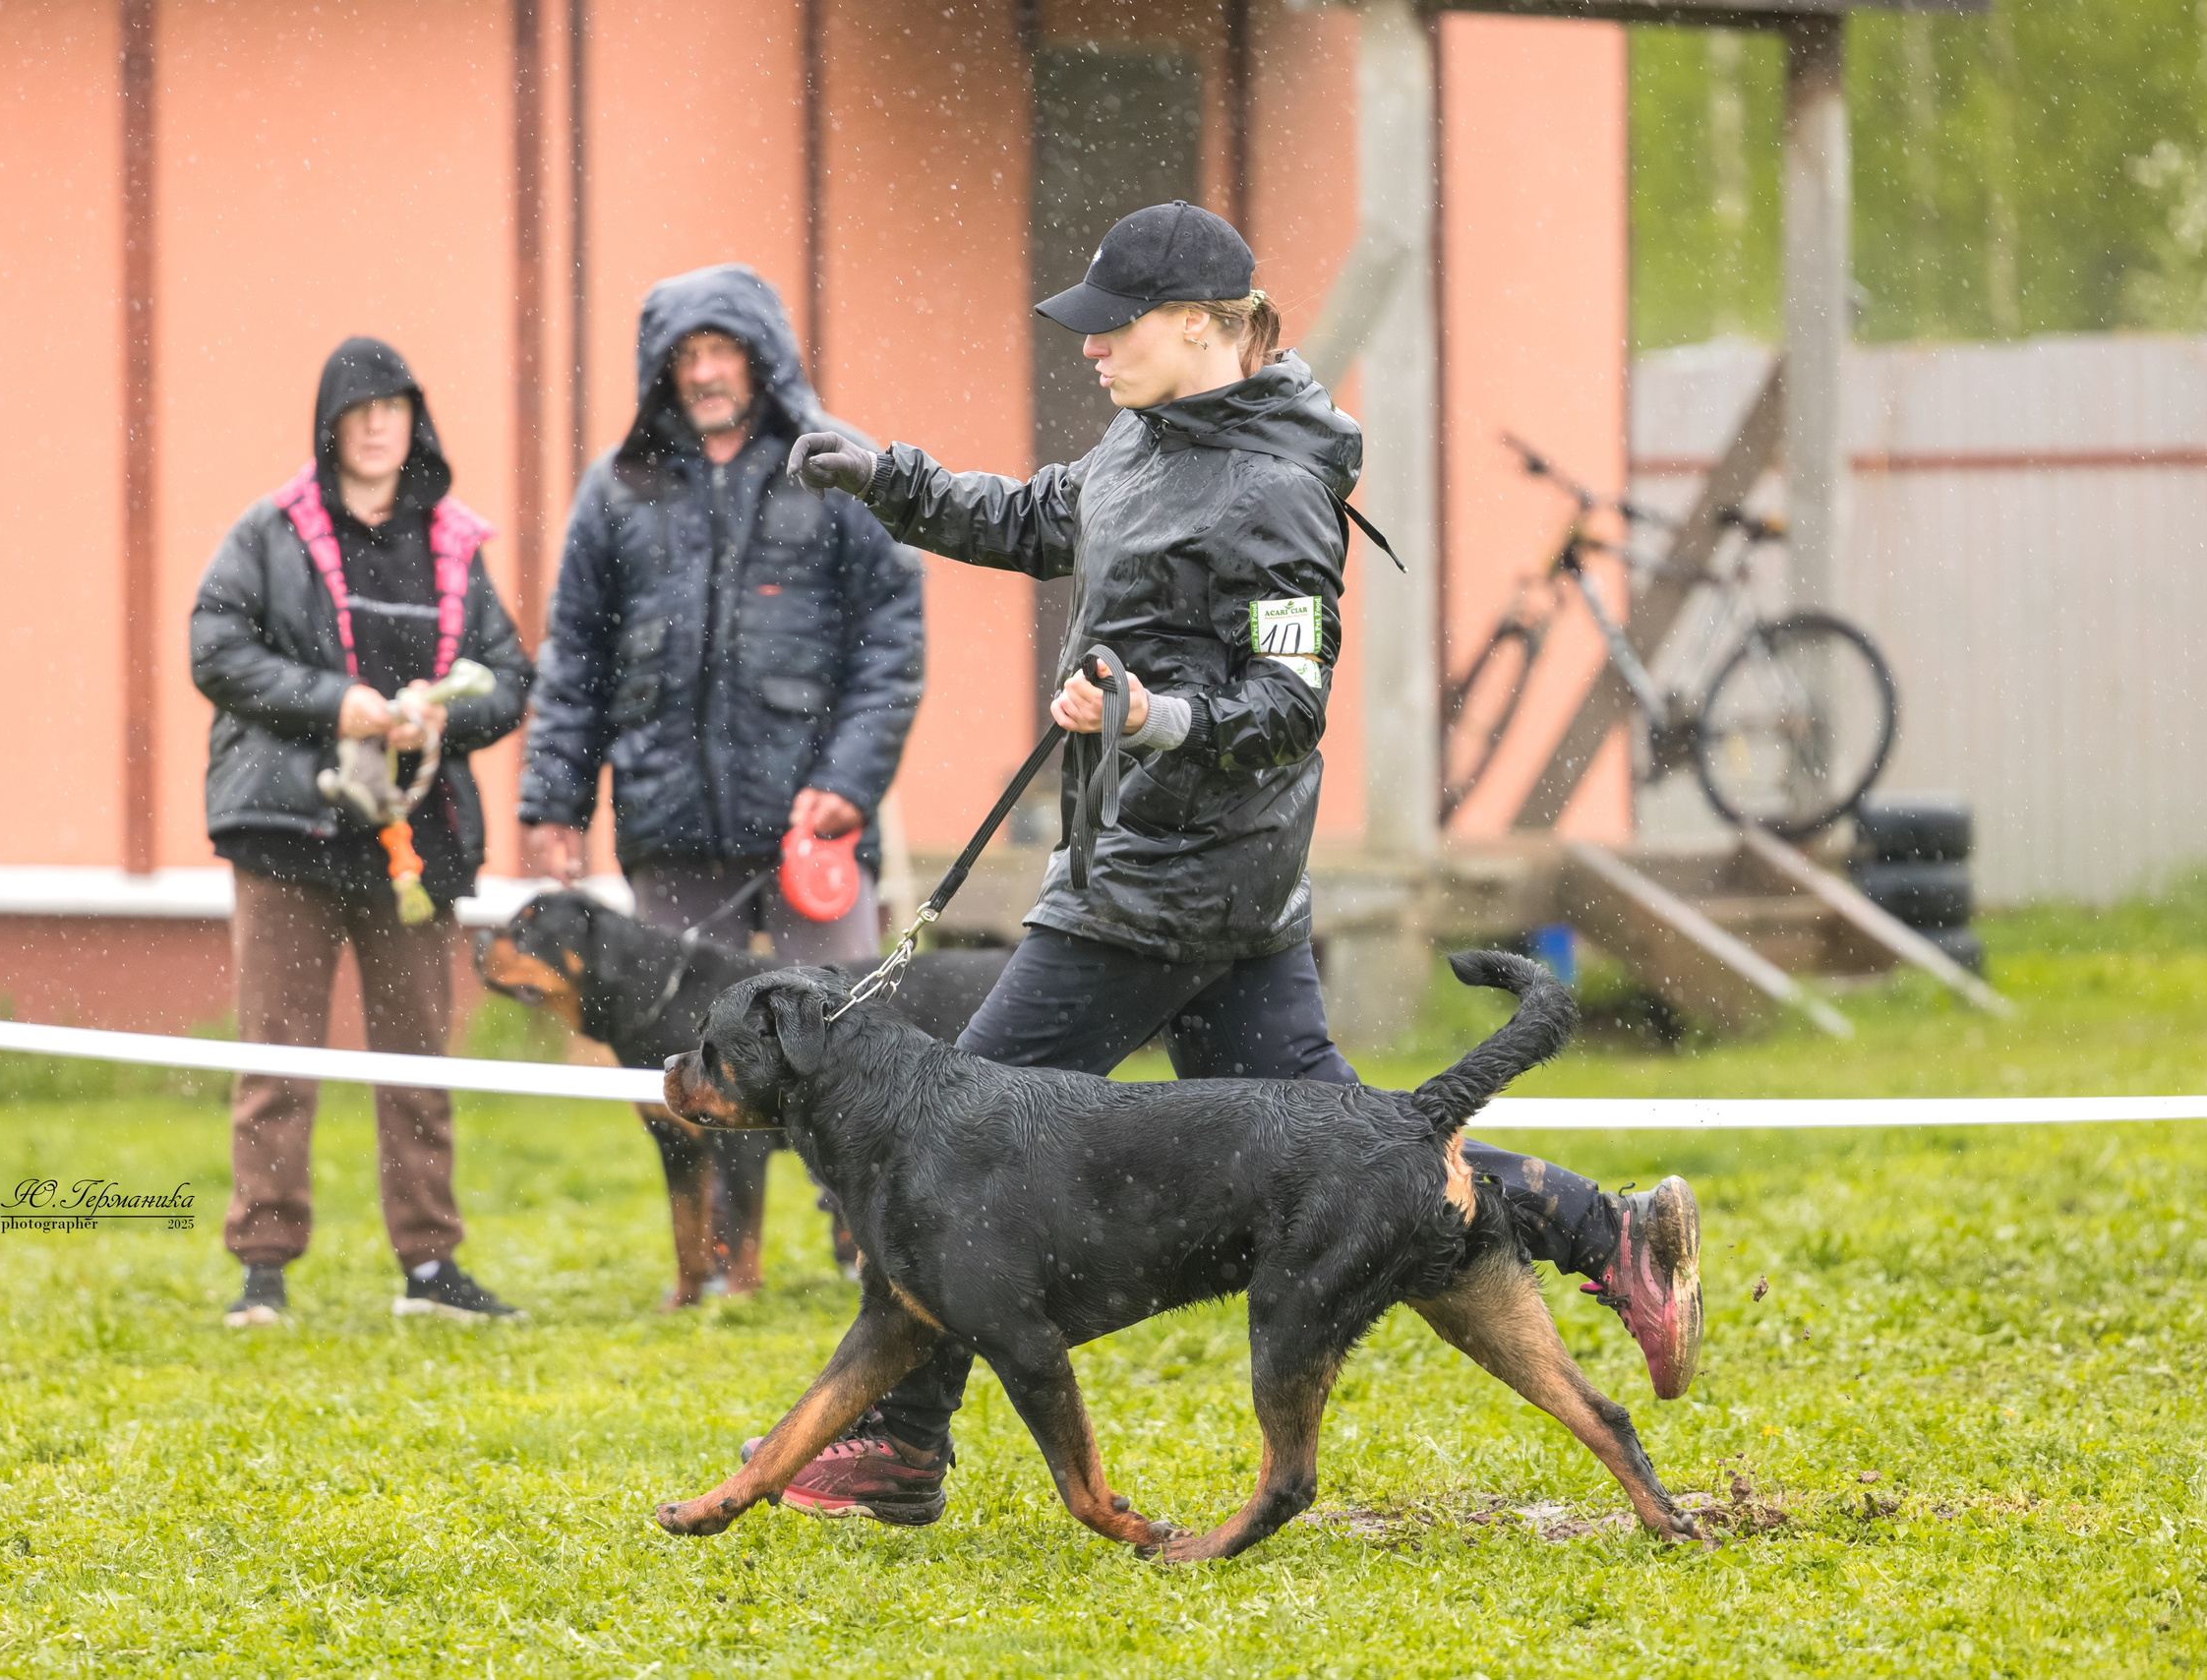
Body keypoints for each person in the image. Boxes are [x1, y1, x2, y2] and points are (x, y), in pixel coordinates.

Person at [770, 201, 1705, 1526]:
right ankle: (1607, 1232)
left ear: (1204, 326)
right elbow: (1040, 518)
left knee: (948, 1157)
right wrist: (889, 479)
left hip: (1167, 893)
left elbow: (1286, 704)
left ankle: (900, 1442)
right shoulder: (1143, 439)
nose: (1090, 348)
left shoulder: (1275, 491)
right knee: (1363, 1158)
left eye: (1115, 326)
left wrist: (1152, 715)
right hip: (1198, 886)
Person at [516, 265, 925, 1300]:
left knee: (848, 1044)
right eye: (685, 356)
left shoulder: (834, 465)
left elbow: (891, 644)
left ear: (761, 358)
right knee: (692, 1060)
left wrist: (849, 781)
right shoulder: (618, 488)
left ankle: (871, 1245)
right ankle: (717, 1262)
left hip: (814, 828)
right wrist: (554, 802)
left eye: (721, 351)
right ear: (662, 372)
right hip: (669, 824)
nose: (703, 373)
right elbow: (574, 659)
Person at [192, 336, 534, 1328]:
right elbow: (215, 646)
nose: (379, 425)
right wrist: (331, 702)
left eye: (395, 407)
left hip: (414, 846)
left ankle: (429, 1267)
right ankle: (262, 1271)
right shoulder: (268, 532)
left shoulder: (455, 545)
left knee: (417, 1064)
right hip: (287, 833)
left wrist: (440, 720)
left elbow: (509, 679)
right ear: (330, 425)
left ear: (415, 423)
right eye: (361, 408)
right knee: (277, 1059)